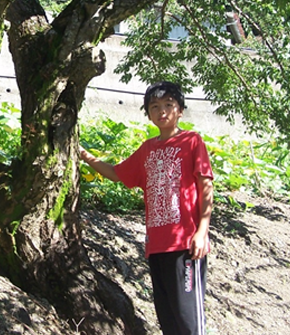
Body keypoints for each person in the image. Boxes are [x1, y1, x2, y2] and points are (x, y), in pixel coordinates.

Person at [80, 81, 214, 335]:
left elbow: (206, 187)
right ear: (148, 112)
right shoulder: (147, 149)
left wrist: (202, 232)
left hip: (186, 245)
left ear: (180, 110)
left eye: (168, 105)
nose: (162, 111)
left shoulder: (192, 141)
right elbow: (117, 174)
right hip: (156, 247)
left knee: (189, 320)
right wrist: (85, 156)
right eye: (155, 106)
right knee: (168, 319)